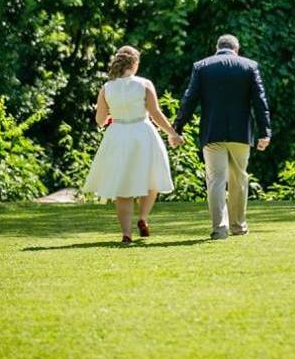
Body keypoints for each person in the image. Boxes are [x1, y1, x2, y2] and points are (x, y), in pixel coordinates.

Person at [173, 35, 271, 240]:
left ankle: (219, 228)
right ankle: (238, 225)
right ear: (237, 49)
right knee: (239, 179)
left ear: (217, 47)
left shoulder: (202, 66)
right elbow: (259, 101)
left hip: (212, 132)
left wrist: (177, 127)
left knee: (216, 180)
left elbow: (189, 100)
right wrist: (265, 132)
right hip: (241, 133)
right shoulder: (249, 66)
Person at [83, 46, 184, 244]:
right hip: (142, 133)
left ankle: (126, 234)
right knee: (151, 179)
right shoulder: (144, 84)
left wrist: (116, 114)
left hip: (118, 134)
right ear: (135, 63)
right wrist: (172, 133)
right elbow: (155, 114)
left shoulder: (107, 88)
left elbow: (100, 120)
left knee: (122, 186)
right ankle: (143, 218)